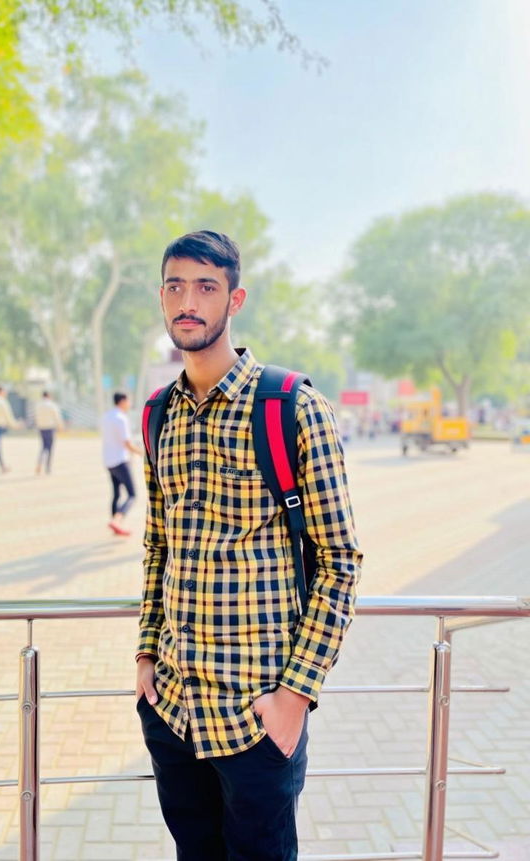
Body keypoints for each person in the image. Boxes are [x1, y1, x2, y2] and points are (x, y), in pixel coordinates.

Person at [135, 231, 363, 861]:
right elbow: (159, 545)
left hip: (256, 716)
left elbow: (340, 560)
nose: (189, 300)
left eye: (206, 287)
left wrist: (295, 698)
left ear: (234, 301)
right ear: (161, 297)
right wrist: (146, 656)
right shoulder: (159, 414)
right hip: (174, 711)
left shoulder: (292, 407)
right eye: (176, 286)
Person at [101, 392, 143, 536]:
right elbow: (127, 444)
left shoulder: (106, 416)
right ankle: (117, 520)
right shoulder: (121, 418)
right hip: (120, 460)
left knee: (116, 493)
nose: (129, 404)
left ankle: (115, 524)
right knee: (132, 494)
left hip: (108, 460)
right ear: (123, 401)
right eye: (128, 401)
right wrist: (143, 453)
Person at [34, 391, 65, 475]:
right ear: (49, 396)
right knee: (50, 448)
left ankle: (39, 462)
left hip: (41, 428)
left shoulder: (38, 405)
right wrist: (61, 426)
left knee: (43, 447)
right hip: (50, 428)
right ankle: (47, 467)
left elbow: (36, 417)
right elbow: (57, 416)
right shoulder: (51, 405)